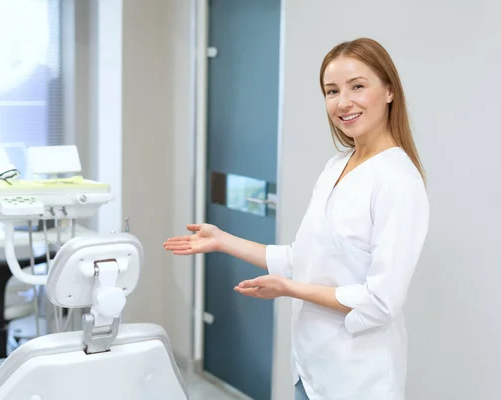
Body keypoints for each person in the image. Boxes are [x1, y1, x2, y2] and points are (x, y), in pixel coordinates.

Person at [164, 37, 429, 400]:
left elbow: (381, 301)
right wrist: (222, 240)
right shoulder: (337, 166)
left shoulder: (398, 181)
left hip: (358, 381)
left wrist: (289, 289)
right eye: (331, 91)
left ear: (388, 91)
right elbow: (301, 257)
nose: (343, 102)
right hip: (310, 370)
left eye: (357, 86)